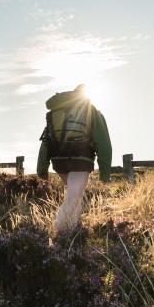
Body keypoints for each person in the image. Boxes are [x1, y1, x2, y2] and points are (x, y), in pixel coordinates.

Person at [37, 83, 112, 237]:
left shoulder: (57, 113)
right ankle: (58, 232)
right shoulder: (92, 112)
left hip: (58, 160)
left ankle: (73, 229)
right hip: (80, 159)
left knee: (75, 194)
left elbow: (46, 141)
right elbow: (103, 142)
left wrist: (42, 169)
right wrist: (105, 173)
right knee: (73, 196)